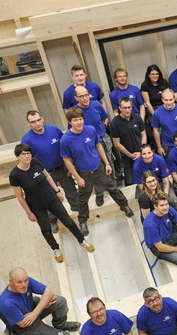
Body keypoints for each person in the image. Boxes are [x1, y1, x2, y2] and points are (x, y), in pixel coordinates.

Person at [10, 143, 93, 262]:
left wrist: (57, 191)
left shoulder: (35, 162)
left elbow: (48, 176)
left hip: (51, 198)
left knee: (68, 221)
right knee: (46, 229)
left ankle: (82, 240)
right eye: (23, 154)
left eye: (28, 153)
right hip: (36, 205)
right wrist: (29, 213)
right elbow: (19, 196)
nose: (27, 156)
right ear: (18, 157)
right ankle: (55, 249)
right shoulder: (14, 175)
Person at [60, 107, 133, 236]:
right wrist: (78, 178)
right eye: (75, 120)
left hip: (99, 168)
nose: (79, 122)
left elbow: (98, 146)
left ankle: (124, 205)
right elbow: (67, 161)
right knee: (83, 200)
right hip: (84, 174)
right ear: (70, 122)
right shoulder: (65, 140)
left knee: (113, 188)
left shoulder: (90, 130)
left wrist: (107, 163)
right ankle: (83, 222)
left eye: (80, 119)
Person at [0, 267, 80, 335]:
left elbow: (49, 292)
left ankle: (61, 325)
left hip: (31, 312)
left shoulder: (25, 281)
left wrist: (35, 312)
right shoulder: (7, 304)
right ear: (10, 282)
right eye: (19, 282)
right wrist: (41, 306)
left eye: (25, 280)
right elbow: (24, 323)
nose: (24, 285)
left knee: (60, 301)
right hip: (24, 329)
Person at [21, 110, 78, 219]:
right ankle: (52, 220)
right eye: (33, 122)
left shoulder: (54, 130)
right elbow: (28, 161)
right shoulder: (26, 140)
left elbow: (66, 147)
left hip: (62, 169)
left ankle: (77, 210)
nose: (37, 123)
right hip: (45, 174)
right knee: (49, 199)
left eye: (38, 120)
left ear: (42, 118)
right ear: (28, 123)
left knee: (72, 191)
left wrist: (70, 165)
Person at [73, 85, 113, 204]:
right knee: (96, 168)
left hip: (102, 139)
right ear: (76, 98)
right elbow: (73, 130)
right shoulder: (75, 112)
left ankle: (113, 188)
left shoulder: (96, 104)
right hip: (88, 144)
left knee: (109, 163)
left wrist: (101, 130)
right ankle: (99, 193)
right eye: (81, 96)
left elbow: (105, 118)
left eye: (86, 95)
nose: (85, 98)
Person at [110, 98, 146, 186]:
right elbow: (117, 143)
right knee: (130, 182)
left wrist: (142, 151)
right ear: (119, 108)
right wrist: (130, 155)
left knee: (146, 178)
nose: (127, 110)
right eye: (124, 108)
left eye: (129, 107)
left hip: (141, 155)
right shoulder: (115, 123)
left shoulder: (137, 117)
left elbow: (143, 134)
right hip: (127, 158)